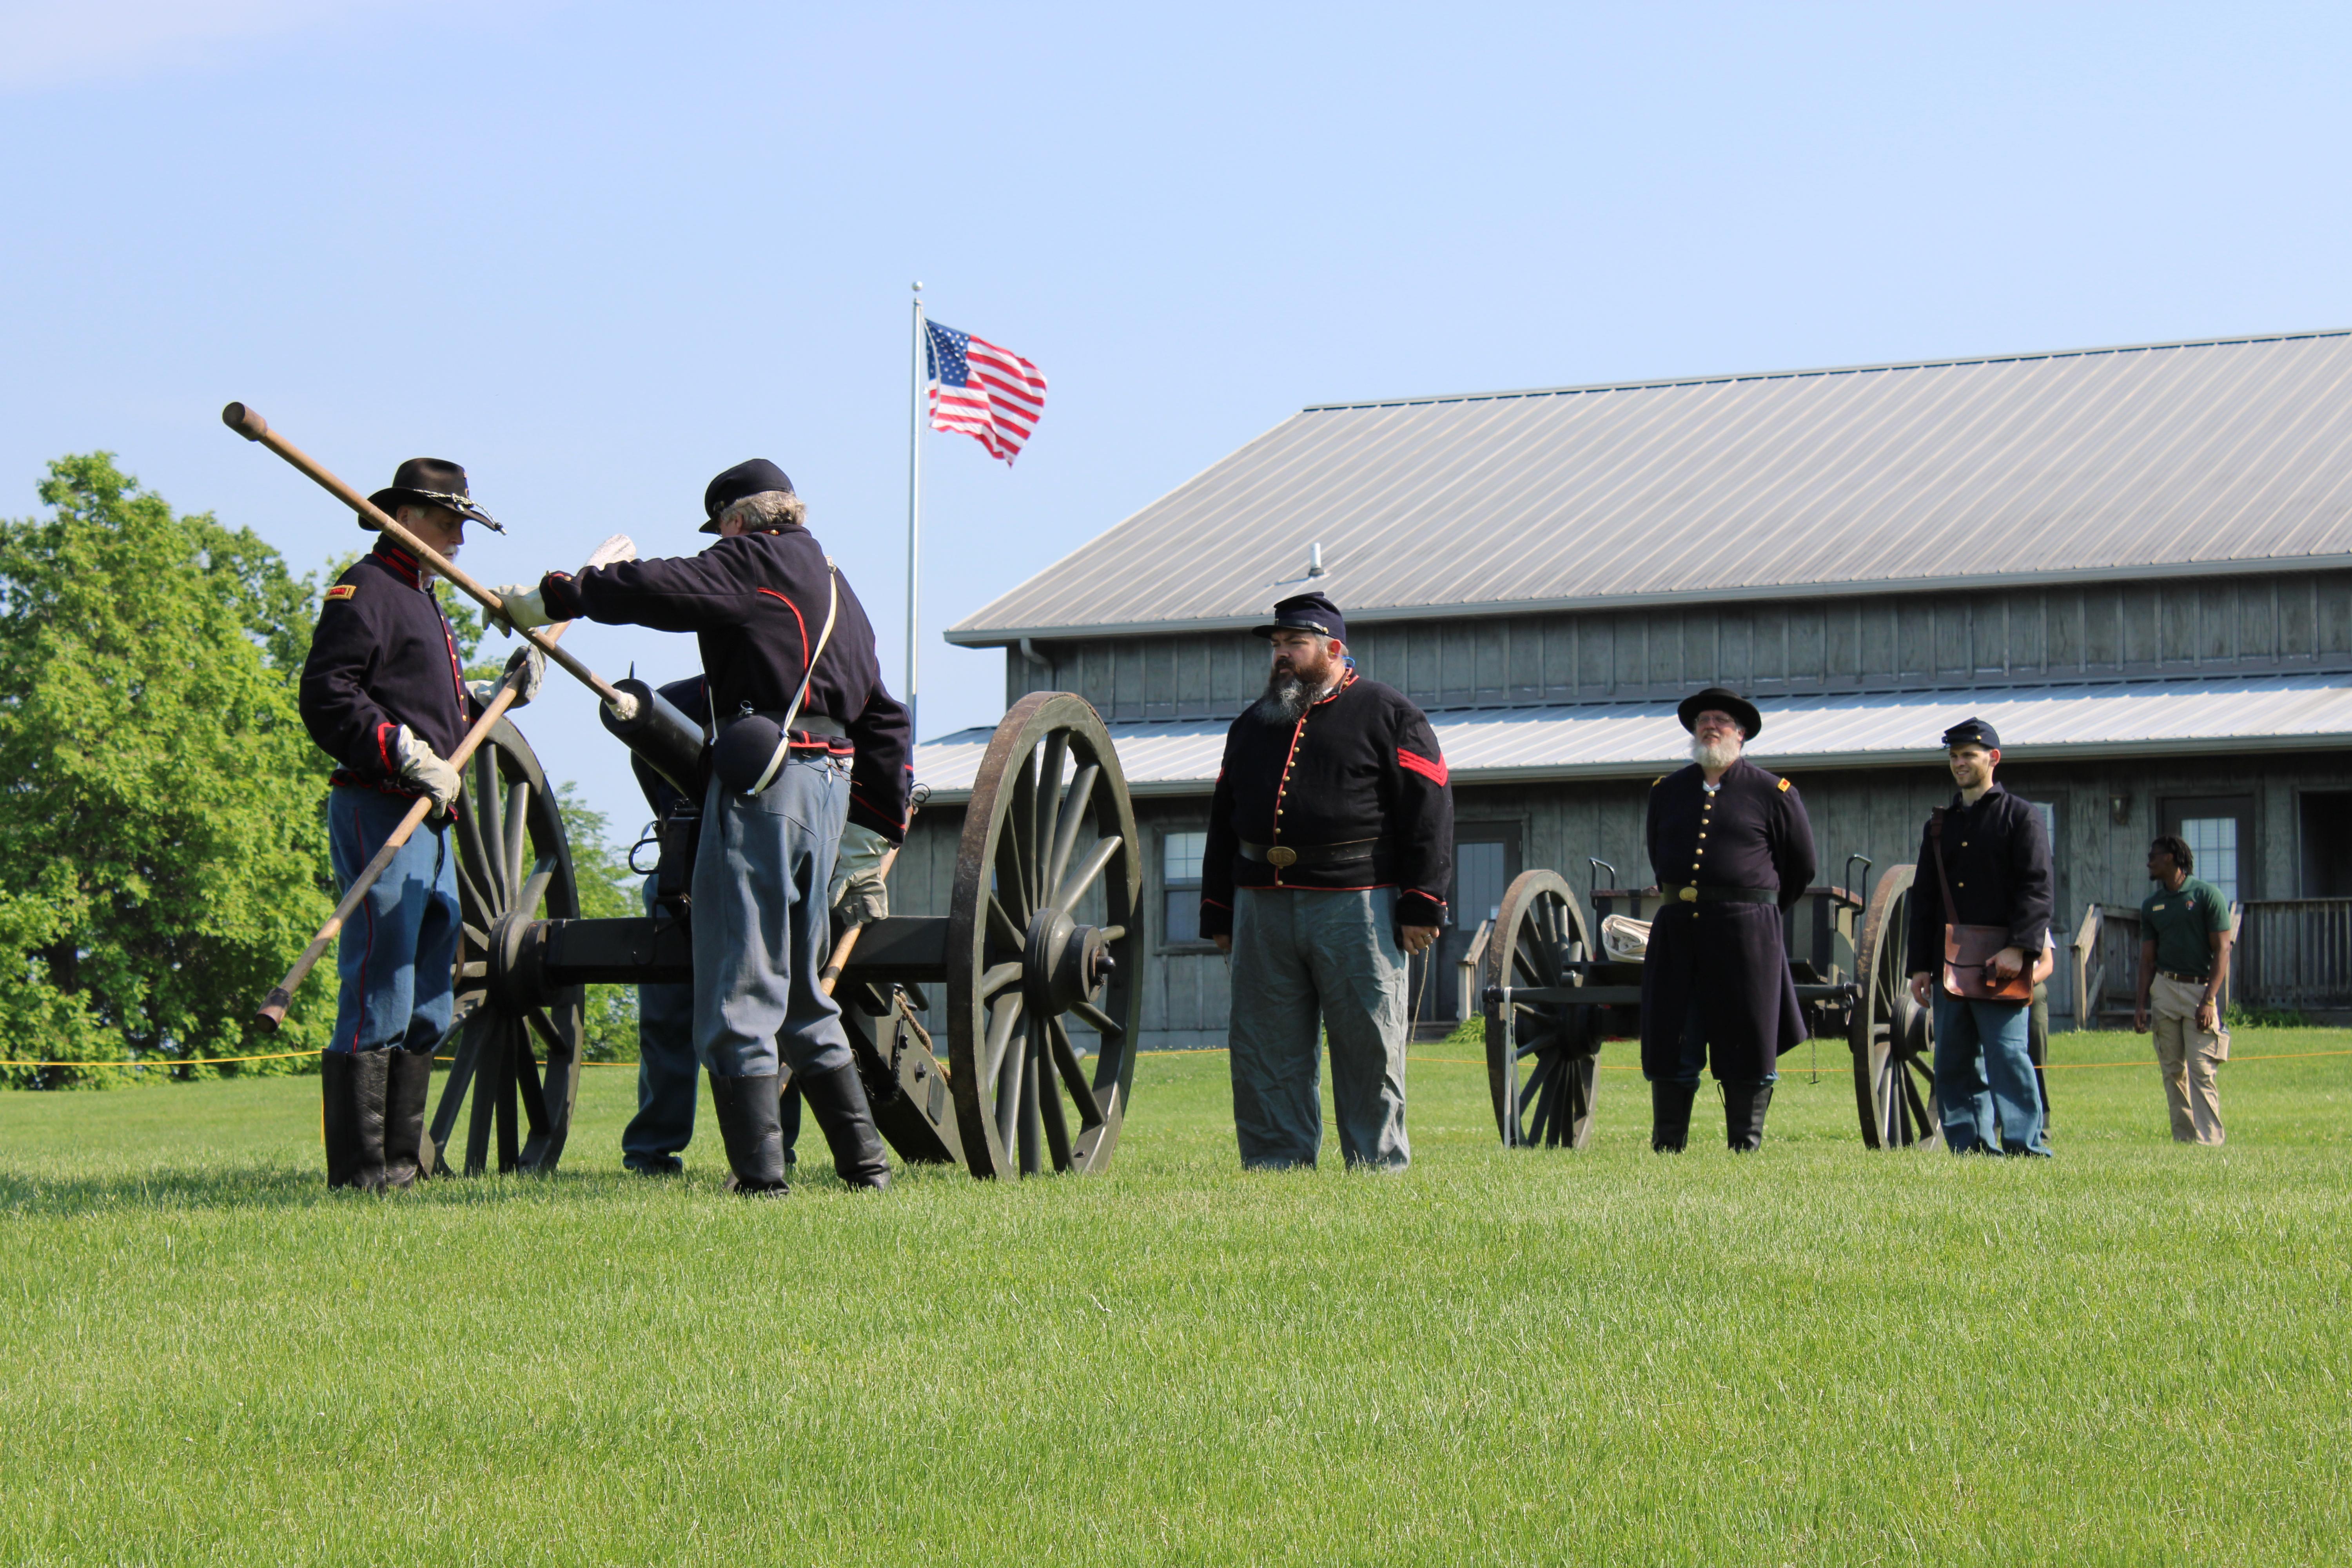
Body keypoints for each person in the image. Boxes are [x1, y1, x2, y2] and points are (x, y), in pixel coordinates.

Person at [499, 460, 909, 1196]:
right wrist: (878, 827)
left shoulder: (754, 558)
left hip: (766, 790)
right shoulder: (835, 586)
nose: (719, 543)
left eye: (720, 530)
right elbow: (883, 715)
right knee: (803, 997)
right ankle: (866, 1169)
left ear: (740, 520)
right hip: (829, 791)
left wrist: (557, 595)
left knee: (740, 992)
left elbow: (663, 585)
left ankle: (762, 1182)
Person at [298, 457, 542, 1190]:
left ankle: (401, 1168)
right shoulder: (365, 589)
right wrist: (401, 751)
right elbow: (327, 695)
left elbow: (430, 707)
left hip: (431, 817)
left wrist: (490, 700)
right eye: (445, 522)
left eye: (462, 525)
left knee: (432, 994)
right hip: (380, 803)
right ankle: (361, 1176)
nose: (457, 538)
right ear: (404, 517)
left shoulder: (425, 599)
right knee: (382, 984)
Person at [1200, 592, 1452, 1171]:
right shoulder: (1251, 725)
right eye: (1277, 646)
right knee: (1265, 1051)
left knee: (1369, 1044)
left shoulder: (1389, 713)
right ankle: (1275, 1170)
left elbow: (1429, 812)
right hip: (1262, 907)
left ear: (1335, 649)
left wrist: (1423, 903)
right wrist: (1218, 911)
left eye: (1296, 644)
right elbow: (1222, 821)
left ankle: (1378, 1168)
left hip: (1358, 906)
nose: (1282, 656)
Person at [620, 673, 891, 1175]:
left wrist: (862, 858)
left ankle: (775, 1154)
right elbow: (647, 757)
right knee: (671, 1016)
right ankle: (654, 1152)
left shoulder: (809, 699)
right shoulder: (679, 699)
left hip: (766, 856)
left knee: (775, 1002)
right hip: (686, 868)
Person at [1640, 687, 1817, 1153]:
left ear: (1741, 734)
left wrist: (1754, 912)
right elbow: (1659, 860)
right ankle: (1668, 1147)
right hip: (1679, 934)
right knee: (1673, 1037)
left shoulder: (1773, 793)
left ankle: (1745, 1145)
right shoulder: (1667, 792)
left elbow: (1799, 868)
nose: (1710, 726)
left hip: (1747, 939)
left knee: (1747, 1042)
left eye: (1720, 720)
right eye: (1703, 720)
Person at [1905, 717, 2054, 1156]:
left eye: (1969, 754)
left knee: (2008, 1057)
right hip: (1948, 966)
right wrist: (1919, 967)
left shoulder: (2022, 817)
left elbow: (2038, 888)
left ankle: (2026, 1147)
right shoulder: (1940, 825)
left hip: (2003, 963)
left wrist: (2020, 949)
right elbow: (1925, 901)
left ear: (1993, 758)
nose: (1960, 763)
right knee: (1952, 1061)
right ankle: (1969, 1148)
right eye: (1953, 756)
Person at [2132, 835, 2234, 1145]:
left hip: (2199, 991)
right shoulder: (2152, 905)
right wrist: (2141, 1006)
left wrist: (2209, 1000)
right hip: (2164, 989)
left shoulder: (2207, 896)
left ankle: (2211, 1144)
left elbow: (2223, 951)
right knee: (2172, 1071)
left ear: (2172, 858)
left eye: (2154, 855)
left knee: (2202, 1071)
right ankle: (2186, 1143)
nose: (2149, 861)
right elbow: (2148, 960)